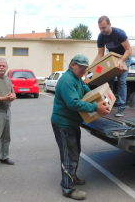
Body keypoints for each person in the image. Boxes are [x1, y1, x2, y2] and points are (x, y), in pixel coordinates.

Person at [51, 55, 110, 200]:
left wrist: (99, 98)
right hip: (63, 124)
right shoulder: (67, 81)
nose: (84, 70)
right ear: (72, 65)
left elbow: (86, 92)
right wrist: (96, 107)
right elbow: (73, 103)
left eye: (85, 67)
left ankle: (72, 177)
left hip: (73, 123)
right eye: (81, 66)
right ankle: (67, 188)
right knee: (68, 156)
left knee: (76, 152)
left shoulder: (77, 79)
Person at [96, 15, 132, 117]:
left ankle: (121, 108)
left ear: (109, 25)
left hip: (125, 56)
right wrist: (91, 68)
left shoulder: (119, 33)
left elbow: (129, 49)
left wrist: (121, 60)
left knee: (121, 81)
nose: (102, 30)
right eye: (100, 28)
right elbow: (100, 54)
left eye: (104, 27)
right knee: (108, 81)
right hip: (112, 58)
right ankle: (108, 105)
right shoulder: (101, 37)